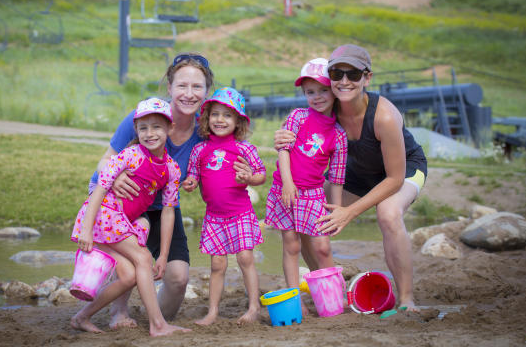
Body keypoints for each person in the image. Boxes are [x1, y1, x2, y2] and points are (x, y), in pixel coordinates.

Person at [275, 45, 427, 312]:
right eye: (337, 73)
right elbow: (302, 127)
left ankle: (406, 300)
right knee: (308, 209)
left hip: (403, 170)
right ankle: (323, 285)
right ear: (329, 77)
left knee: (388, 213)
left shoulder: (385, 116)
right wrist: (282, 137)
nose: (344, 81)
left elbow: (394, 179)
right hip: (358, 174)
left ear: (367, 78)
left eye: (353, 74)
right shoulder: (328, 108)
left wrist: (349, 212)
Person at [88, 53, 216, 328]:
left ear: (207, 92)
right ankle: (118, 314)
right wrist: (116, 174)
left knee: (179, 277)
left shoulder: (205, 132)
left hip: (164, 206)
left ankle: (155, 320)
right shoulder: (145, 118)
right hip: (123, 200)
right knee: (133, 265)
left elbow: (208, 171)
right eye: (182, 85)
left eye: (197, 87)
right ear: (169, 87)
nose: (189, 94)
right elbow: (104, 160)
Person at [70, 98, 190, 336]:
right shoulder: (129, 156)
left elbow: (168, 212)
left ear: (170, 129)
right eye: (143, 128)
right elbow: (100, 190)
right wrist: (85, 229)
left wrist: (164, 255)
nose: (149, 133)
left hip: (120, 222)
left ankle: (81, 317)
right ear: (135, 130)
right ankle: (158, 325)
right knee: (143, 258)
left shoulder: (171, 169)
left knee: (129, 276)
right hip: (103, 216)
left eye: (156, 127)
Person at [265, 58, 347, 312]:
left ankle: (336, 294)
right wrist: (288, 183)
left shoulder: (338, 134)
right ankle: (294, 299)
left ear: (333, 91)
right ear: (304, 94)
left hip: (312, 195)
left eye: (323, 90)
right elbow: (283, 149)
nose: (317, 97)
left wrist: (337, 209)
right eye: (311, 92)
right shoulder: (298, 117)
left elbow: (336, 176)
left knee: (322, 246)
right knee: (291, 245)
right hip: (285, 190)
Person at [182, 87, 266, 325]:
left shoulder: (244, 148)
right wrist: (189, 183)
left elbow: (261, 175)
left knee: (245, 259)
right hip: (214, 217)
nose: (220, 120)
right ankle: (212, 312)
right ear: (207, 118)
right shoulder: (200, 149)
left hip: (240, 214)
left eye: (227, 115)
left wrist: (249, 177)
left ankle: (253, 307)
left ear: (237, 121)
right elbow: (193, 176)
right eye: (215, 114)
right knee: (217, 264)